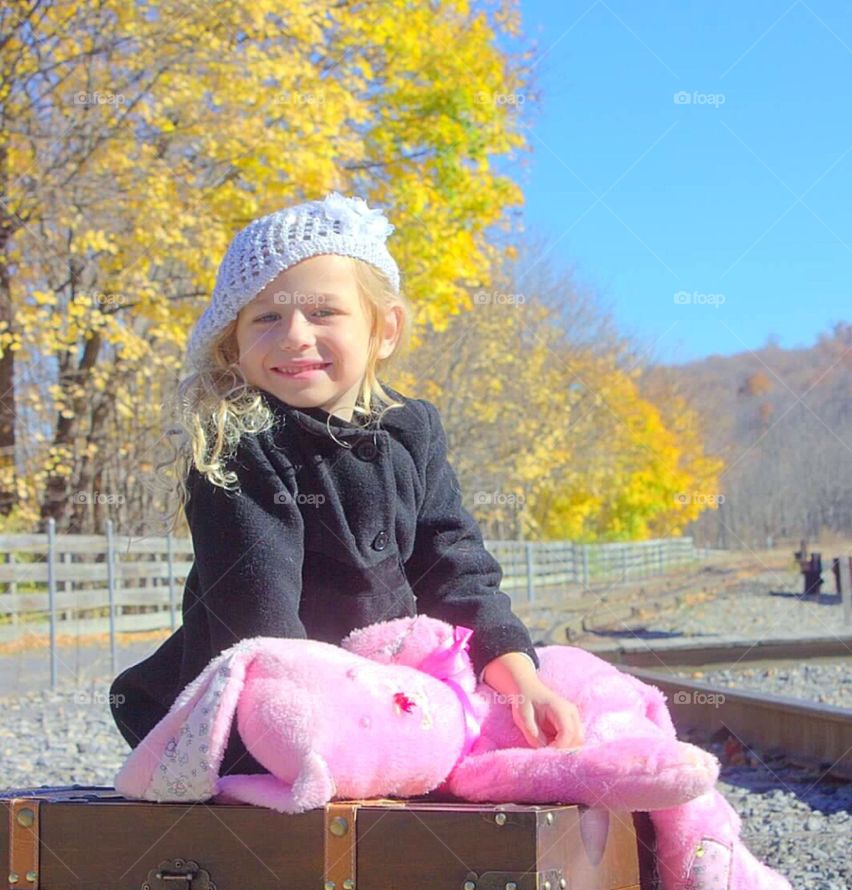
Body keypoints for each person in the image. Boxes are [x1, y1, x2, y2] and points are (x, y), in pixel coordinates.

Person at [109, 191, 584, 777]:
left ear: (383, 329)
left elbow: (455, 566)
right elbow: (260, 620)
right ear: (234, 346)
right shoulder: (242, 445)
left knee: (559, 692)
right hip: (272, 712)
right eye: (266, 318)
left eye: (323, 312)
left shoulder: (414, 431)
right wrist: (322, 732)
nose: (294, 335)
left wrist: (518, 679)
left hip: (391, 682)